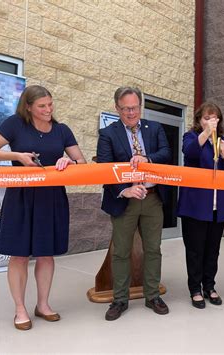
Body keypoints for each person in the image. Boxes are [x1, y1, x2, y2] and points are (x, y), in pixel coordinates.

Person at [0, 85, 86, 330]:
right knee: (19, 254)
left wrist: (69, 161)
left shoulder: (62, 130)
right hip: (20, 197)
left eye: (50, 104)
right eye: (42, 106)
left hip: (52, 198)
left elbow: (82, 161)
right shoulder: (14, 124)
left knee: (46, 254)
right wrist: (16, 156)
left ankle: (43, 305)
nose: (48, 109)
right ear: (28, 107)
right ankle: (19, 309)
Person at [96, 87, 171, 320]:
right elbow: (105, 169)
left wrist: (147, 159)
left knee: (153, 249)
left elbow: (166, 153)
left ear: (140, 106)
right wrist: (124, 190)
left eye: (135, 107)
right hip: (124, 201)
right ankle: (119, 299)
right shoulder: (108, 134)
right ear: (117, 109)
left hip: (152, 199)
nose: (131, 112)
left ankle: (152, 296)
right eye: (126, 108)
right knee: (121, 252)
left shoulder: (154, 128)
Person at [177, 102, 224, 309]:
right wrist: (206, 133)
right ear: (198, 120)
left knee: (213, 250)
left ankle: (209, 286)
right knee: (195, 249)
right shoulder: (191, 137)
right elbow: (190, 153)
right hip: (195, 205)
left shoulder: (223, 141)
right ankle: (195, 289)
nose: (211, 122)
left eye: (215, 118)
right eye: (207, 118)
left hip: (217, 206)